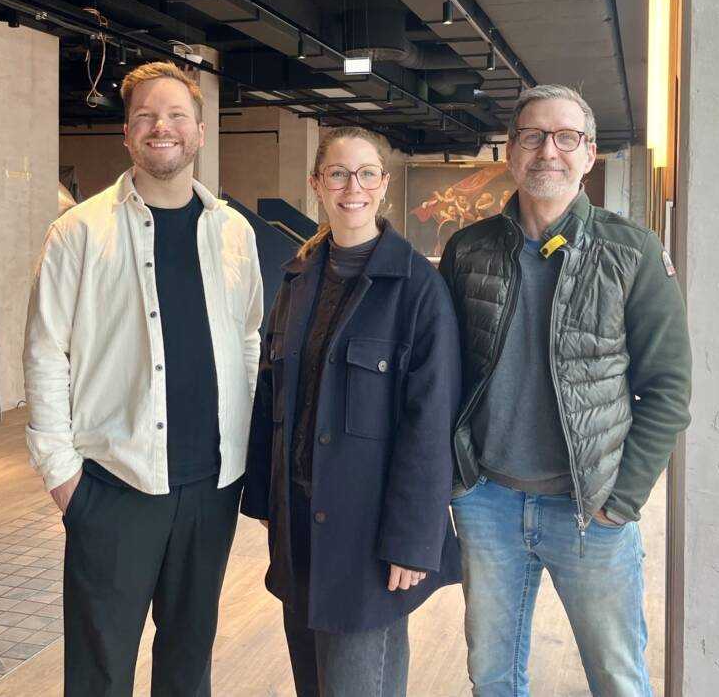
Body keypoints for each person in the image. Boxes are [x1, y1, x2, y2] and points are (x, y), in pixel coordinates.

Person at [439, 84, 692, 696]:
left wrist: (621, 501)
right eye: (532, 136)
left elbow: (667, 389)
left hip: (591, 510)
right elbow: (444, 374)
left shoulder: (630, 251)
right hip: (488, 502)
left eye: (565, 137)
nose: (547, 150)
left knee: (618, 679)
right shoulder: (469, 249)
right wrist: (458, 478)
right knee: (492, 677)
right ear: (510, 151)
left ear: (589, 153)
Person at [22, 61, 263, 697]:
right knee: (101, 668)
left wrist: (243, 440)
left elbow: (247, 336)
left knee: (189, 660)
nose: (163, 127)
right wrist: (62, 476)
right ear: (127, 134)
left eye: (177, 115)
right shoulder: (78, 232)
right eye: (146, 117)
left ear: (201, 131)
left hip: (212, 486)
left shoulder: (232, 232)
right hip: (113, 485)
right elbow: (48, 352)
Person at [241, 126, 462, 696]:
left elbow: (430, 424)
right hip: (302, 528)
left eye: (366, 174)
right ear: (317, 184)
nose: (352, 187)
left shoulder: (417, 288)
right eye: (338, 174)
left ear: (384, 186)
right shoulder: (297, 279)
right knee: (312, 685)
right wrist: (267, 498)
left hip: (370, 538)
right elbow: (273, 394)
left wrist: (415, 541)